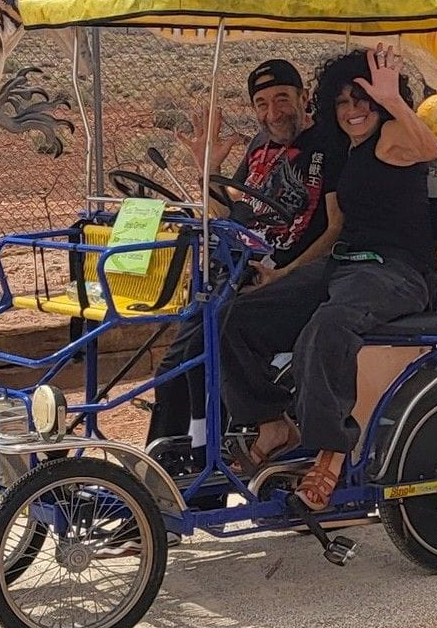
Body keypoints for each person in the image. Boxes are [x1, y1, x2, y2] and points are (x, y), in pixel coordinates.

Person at [219, 43, 437, 511]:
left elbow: (430, 147)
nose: (353, 110)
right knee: (236, 317)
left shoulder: (392, 138)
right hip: (344, 264)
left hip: (395, 271)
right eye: (342, 102)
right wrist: (279, 274)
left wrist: (394, 100)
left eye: (363, 99)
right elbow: (331, 224)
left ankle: (331, 451)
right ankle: (272, 423)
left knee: (328, 327)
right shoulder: (348, 152)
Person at [146, 58, 345, 456]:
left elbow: (336, 226)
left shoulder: (330, 144)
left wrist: (287, 272)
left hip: (286, 276)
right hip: (239, 269)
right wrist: (209, 169)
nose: (273, 113)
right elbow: (226, 212)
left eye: (283, 99)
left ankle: (223, 448)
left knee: (210, 347)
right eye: (262, 103)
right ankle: (170, 466)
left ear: (304, 97)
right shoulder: (259, 146)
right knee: (175, 367)